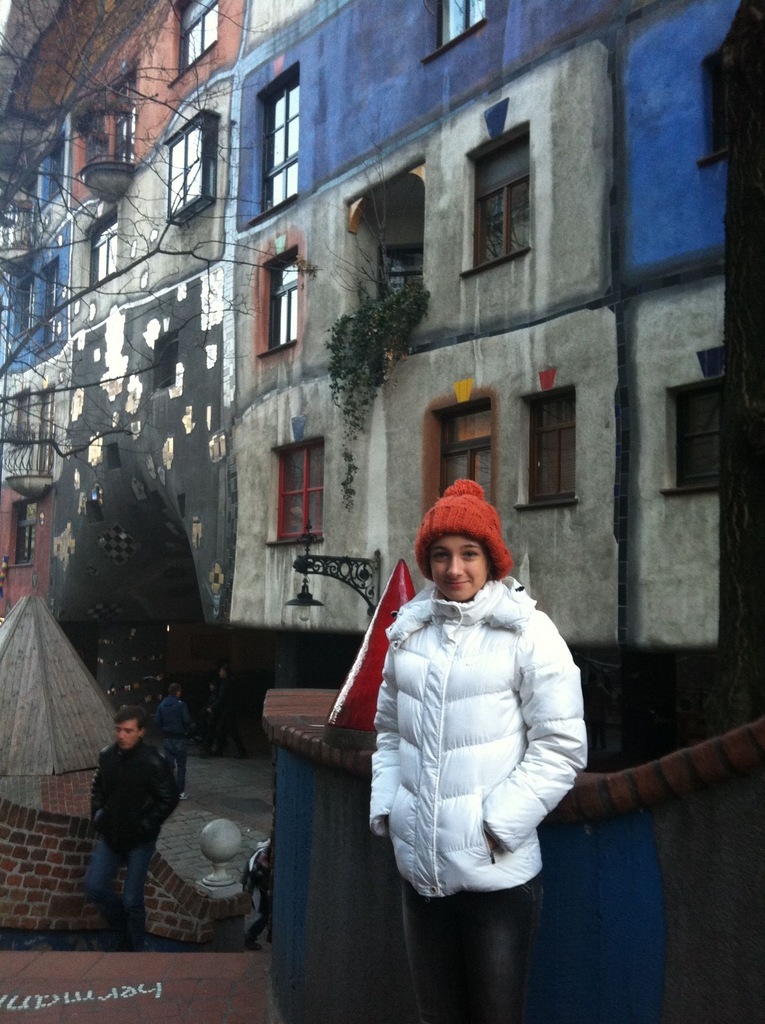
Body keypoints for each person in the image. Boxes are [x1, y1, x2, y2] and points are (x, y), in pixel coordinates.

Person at [369, 480, 587, 1024]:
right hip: (419, 873)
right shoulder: (407, 632)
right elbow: (389, 733)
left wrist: (492, 827)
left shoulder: (529, 633)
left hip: (497, 879)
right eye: (440, 555)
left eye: (468, 553)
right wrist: (390, 809)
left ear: (491, 559)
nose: (453, 569)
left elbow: (561, 746)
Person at [85, 705, 180, 952]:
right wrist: (97, 814)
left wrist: (145, 824)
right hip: (111, 835)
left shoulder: (153, 762)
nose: (121, 735)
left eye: (128, 731)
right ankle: (122, 929)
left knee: (132, 900)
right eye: (118, 730)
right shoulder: (107, 756)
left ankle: (134, 948)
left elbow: (169, 798)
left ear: (141, 732)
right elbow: (98, 788)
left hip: (140, 839)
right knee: (94, 887)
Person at [154, 681, 193, 798]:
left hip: (167, 738)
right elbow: (187, 720)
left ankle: (168, 790)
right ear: (178, 692)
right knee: (181, 766)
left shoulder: (161, 705)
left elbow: (157, 722)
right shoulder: (181, 705)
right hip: (179, 738)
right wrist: (185, 730)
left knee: (169, 765)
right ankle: (180, 792)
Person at [210, 660, 247, 758]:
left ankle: (242, 752)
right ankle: (219, 751)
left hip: (227, 711)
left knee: (232, 732)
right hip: (230, 710)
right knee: (223, 731)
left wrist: (213, 708)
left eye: (221, 671)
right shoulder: (232, 682)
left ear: (225, 672)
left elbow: (222, 698)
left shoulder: (226, 684)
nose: (219, 673)